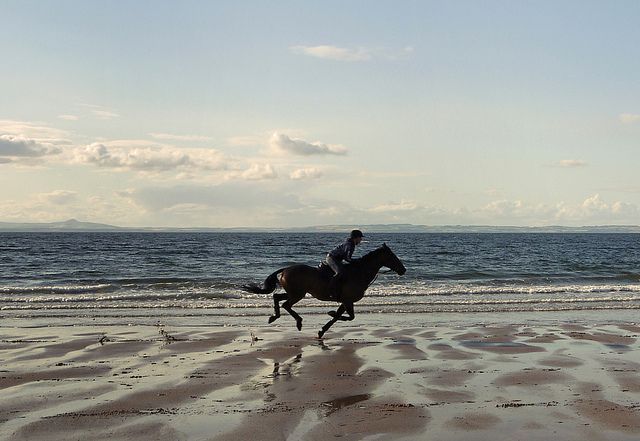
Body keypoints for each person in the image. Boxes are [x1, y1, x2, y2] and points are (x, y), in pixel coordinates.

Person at [325, 229, 364, 299]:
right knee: (339, 272)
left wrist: (355, 261)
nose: (361, 240)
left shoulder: (351, 243)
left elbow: (347, 258)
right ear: (356, 238)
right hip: (331, 258)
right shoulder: (350, 245)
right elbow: (347, 258)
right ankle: (330, 290)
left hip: (336, 259)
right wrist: (357, 261)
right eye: (360, 238)